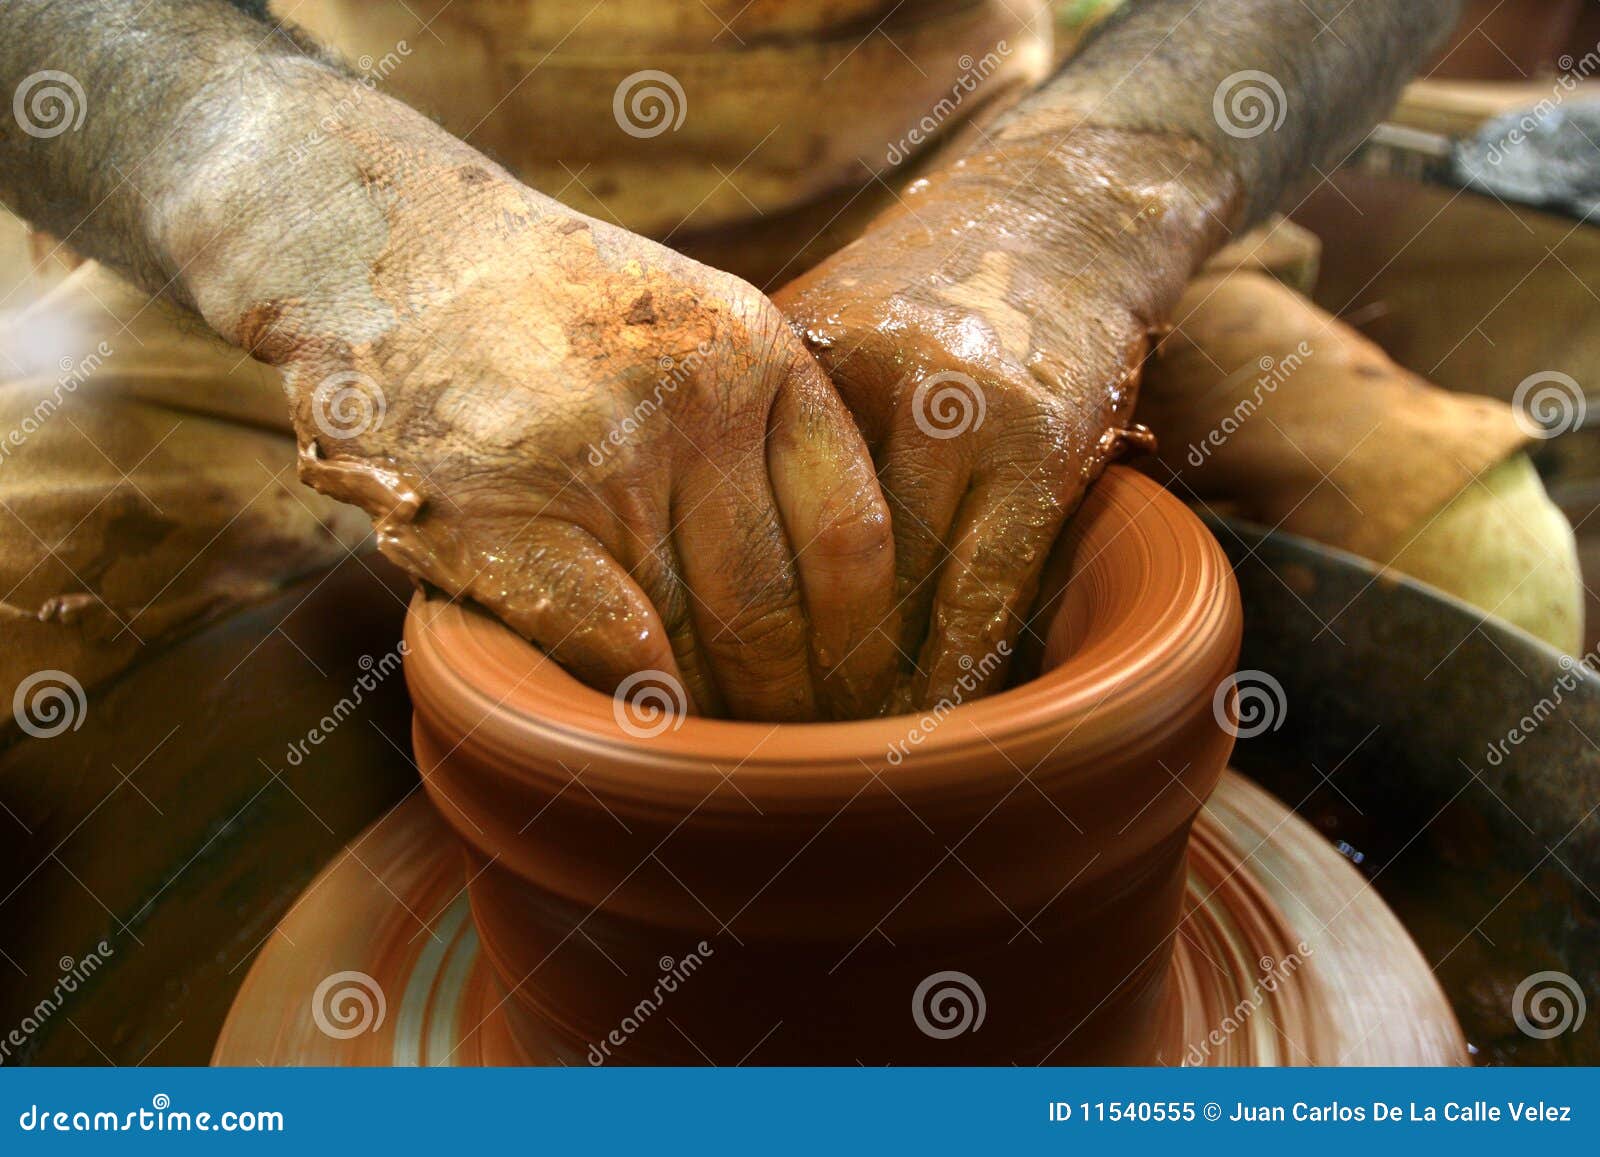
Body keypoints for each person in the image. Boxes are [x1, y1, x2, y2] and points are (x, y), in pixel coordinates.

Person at [0, 0, 1464, 721]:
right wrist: (321, 219)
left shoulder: (1036, 205)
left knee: (1478, 570)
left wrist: (1078, 201)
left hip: (967, 190)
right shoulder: (326, 212)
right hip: (330, 191)